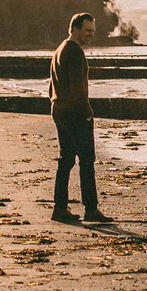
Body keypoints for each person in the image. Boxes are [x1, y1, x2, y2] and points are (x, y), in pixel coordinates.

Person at [49, 12, 110, 223]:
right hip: (74, 114)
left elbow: (52, 86)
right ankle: (91, 209)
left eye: (93, 31)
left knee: (66, 160)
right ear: (74, 28)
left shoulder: (60, 49)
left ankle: (59, 208)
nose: (90, 35)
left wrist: (55, 105)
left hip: (60, 110)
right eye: (87, 31)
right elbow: (78, 90)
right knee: (86, 161)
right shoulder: (74, 52)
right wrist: (87, 114)